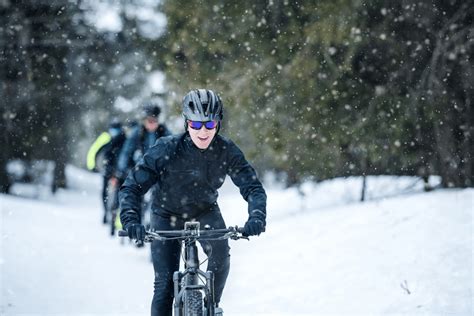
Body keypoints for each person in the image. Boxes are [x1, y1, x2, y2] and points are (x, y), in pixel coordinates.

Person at [119, 89, 267, 315]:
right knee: (164, 285)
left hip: (204, 211)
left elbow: (252, 187)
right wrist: (131, 221)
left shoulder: (226, 150)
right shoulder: (166, 148)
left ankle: (211, 306)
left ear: (218, 124)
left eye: (209, 125)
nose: (203, 131)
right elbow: (133, 186)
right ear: (187, 123)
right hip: (165, 213)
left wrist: (256, 216)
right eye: (196, 125)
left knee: (220, 255)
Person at [86, 118, 126, 223]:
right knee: (105, 192)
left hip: (120, 169)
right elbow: (94, 151)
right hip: (108, 167)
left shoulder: (124, 138)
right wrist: (92, 166)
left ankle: (115, 215)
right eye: (113, 128)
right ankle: (105, 212)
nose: (114, 131)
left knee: (119, 192)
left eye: (116, 128)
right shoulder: (105, 137)